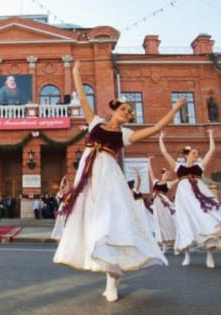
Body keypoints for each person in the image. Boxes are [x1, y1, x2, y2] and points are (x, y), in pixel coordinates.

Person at [53, 60, 187, 302]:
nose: (127, 113)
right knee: (90, 223)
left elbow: (156, 127)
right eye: (124, 109)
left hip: (108, 177)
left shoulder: (125, 135)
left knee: (109, 223)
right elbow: (82, 97)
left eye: (130, 112)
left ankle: (112, 278)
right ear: (114, 110)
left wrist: (175, 109)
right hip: (87, 177)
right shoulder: (94, 122)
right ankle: (105, 269)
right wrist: (75, 72)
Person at [159, 129, 221, 268]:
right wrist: (161, 137)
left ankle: (209, 255)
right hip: (184, 198)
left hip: (199, 197)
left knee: (206, 219)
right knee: (184, 223)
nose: (196, 155)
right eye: (194, 153)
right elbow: (164, 153)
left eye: (197, 154)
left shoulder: (199, 167)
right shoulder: (178, 167)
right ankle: (187, 255)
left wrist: (210, 135)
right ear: (186, 155)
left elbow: (212, 150)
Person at [148, 156, 177, 253]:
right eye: (166, 174)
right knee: (159, 224)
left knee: (167, 223)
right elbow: (151, 174)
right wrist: (149, 162)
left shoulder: (168, 184)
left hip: (163, 205)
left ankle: (175, 242)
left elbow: (179, 179)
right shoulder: (156, 182)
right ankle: (164, 245)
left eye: (168, 174)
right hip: (157, 205)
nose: (167, 175)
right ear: (162, 174)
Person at [127, 168, 155, 239]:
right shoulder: (131, 191)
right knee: (142, 217)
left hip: (140, 205)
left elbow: (139, 180)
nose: (134, 184)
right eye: (133, 184)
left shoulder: (135, 190)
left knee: (146, 217)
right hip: (137, 205)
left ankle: (145, 231)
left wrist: (137, 172)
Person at [51, 176, 71, 241]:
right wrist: (62, 182)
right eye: (64, 186)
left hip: (69, 209)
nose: (66, 187)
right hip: (63, 209)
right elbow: (59, 197)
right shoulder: (60, 194)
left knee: (67, 223)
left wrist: (66, 180)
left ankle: (66, 235)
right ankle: (62, 236)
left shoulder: (70, 193)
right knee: (62, 222)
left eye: (67, 185)